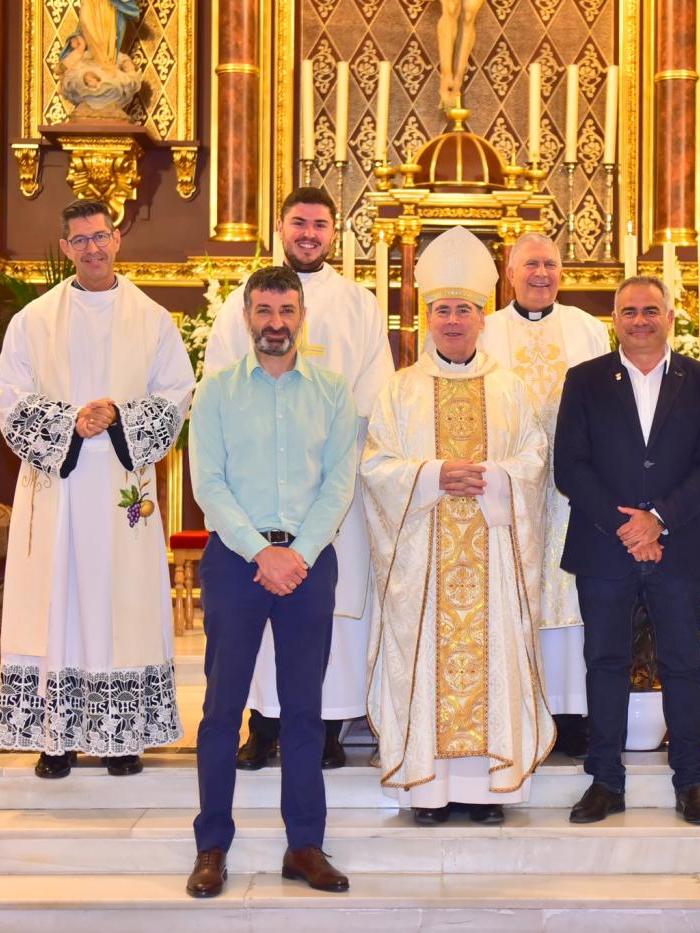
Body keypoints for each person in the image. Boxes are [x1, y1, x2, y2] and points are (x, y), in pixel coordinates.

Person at [0, 198, 194, 779]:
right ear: (64, 248)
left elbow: (177, 392)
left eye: (101, 236)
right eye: (80, 240)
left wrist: (120, 416)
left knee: (120, 603)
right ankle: (56, 739)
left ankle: (121, 736)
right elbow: (9, 396)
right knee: (56, 603)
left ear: (118, 238)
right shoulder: (34, 320)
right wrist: (69, 423)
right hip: (58, 489)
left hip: (119, 491)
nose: (93, 249)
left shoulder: (152, 318)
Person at [361, 226, 555, 826]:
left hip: (492, 557)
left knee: (490, 656)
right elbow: (376, 465)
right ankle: (427, 788)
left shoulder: (511, 389)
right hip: (423, 562)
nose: (452, 320)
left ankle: (487, 788)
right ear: (428, 316)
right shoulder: (400, 390)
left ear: (481, 316)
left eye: (463, 310)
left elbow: (534, 459)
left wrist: (495, 477)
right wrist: (432, 475)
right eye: (442, 309)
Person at [204, 187, 394, 771]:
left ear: (335, 232)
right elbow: (218, 384)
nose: (308, 233)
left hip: (330, 489)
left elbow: (373, 393)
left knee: (326, 609)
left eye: (320, 224)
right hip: (257, 492)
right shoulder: (247, 298)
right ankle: (262, 725)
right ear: (281, 227)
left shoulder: (358, 303)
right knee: (253, 610)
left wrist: (335, 447)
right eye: (298, 223)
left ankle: (327, 725)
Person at [186, 265, 358, 897]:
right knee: (221, 710)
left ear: (301, 316)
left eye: (286, 311)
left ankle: (304, 846)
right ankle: (211, 847)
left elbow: (339, 483)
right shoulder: (218, 392)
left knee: (305, 712)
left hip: (309, 565)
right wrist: (262, 552)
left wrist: (299, 553)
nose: (276, 323)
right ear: (246, 317)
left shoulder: (333, 392)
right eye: (264, 311)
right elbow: (210, 485)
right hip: (237, 561)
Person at [554, 275, 700, 826]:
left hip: (677, 549)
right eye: (628, 311)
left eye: (650, 310)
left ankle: (692, 781)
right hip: (604, 549)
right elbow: (570, 466)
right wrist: (625, 526)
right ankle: (605, 781)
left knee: (682, 663)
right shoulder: (584, 380)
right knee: (603, 663)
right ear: (615, 319)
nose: (639, 320)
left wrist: (658, 521)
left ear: (670, 315)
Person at [479, 232, 610, 760]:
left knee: (572, 598)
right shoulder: (485, 331)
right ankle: (516, 706)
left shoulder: (587, 328)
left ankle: (571, 713)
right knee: (513, 594)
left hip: (575, 490)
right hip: (508, 491)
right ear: (509, 274)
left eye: (551, 265)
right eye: (530, 264)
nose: (541, 274)